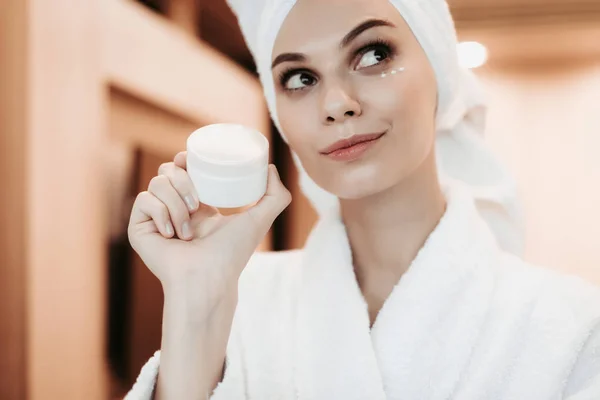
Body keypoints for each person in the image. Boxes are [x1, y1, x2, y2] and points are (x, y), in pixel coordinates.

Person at [125, 0, 600, 399]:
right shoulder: (241, 303)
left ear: (439, 69)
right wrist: (198, 300)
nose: (336, 104)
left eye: (373, 54)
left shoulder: (573, 329)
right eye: (299, 78)